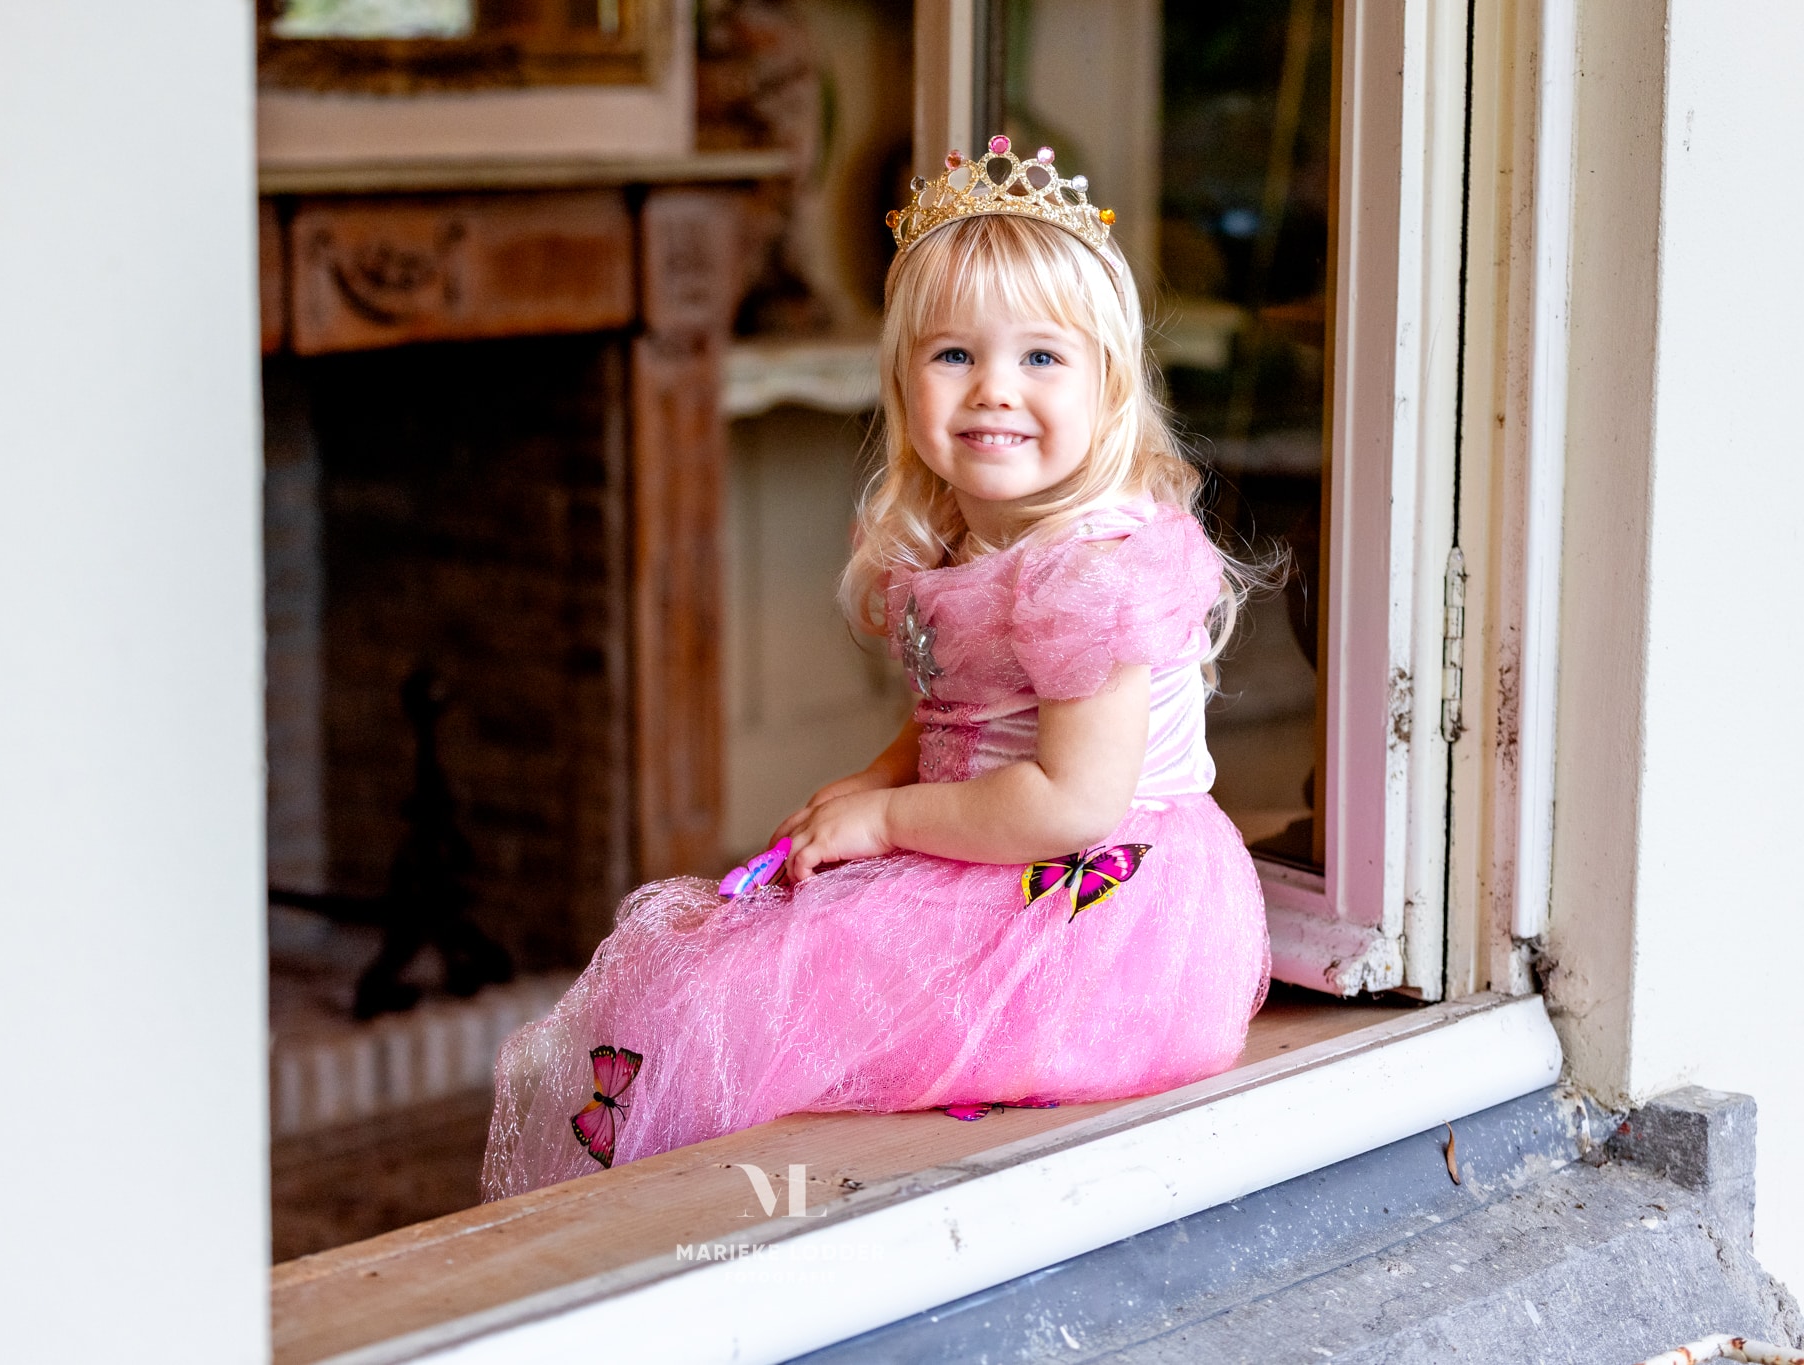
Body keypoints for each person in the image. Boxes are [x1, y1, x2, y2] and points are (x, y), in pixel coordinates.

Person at [482, 137, 1270, 1200]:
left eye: (1041, 358)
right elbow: (962, 712)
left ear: (1109, 384)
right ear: (903, 379)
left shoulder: (1093, 570)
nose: (994, 390)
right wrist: (877, 777)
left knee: (737, 1013)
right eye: (955, 355)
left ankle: (723, 1214)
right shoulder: (966, 534)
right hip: (994, 846)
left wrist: (889, 822)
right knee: (693, 994)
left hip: (1097, 910)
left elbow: (1073, 802)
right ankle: (654, 1219)